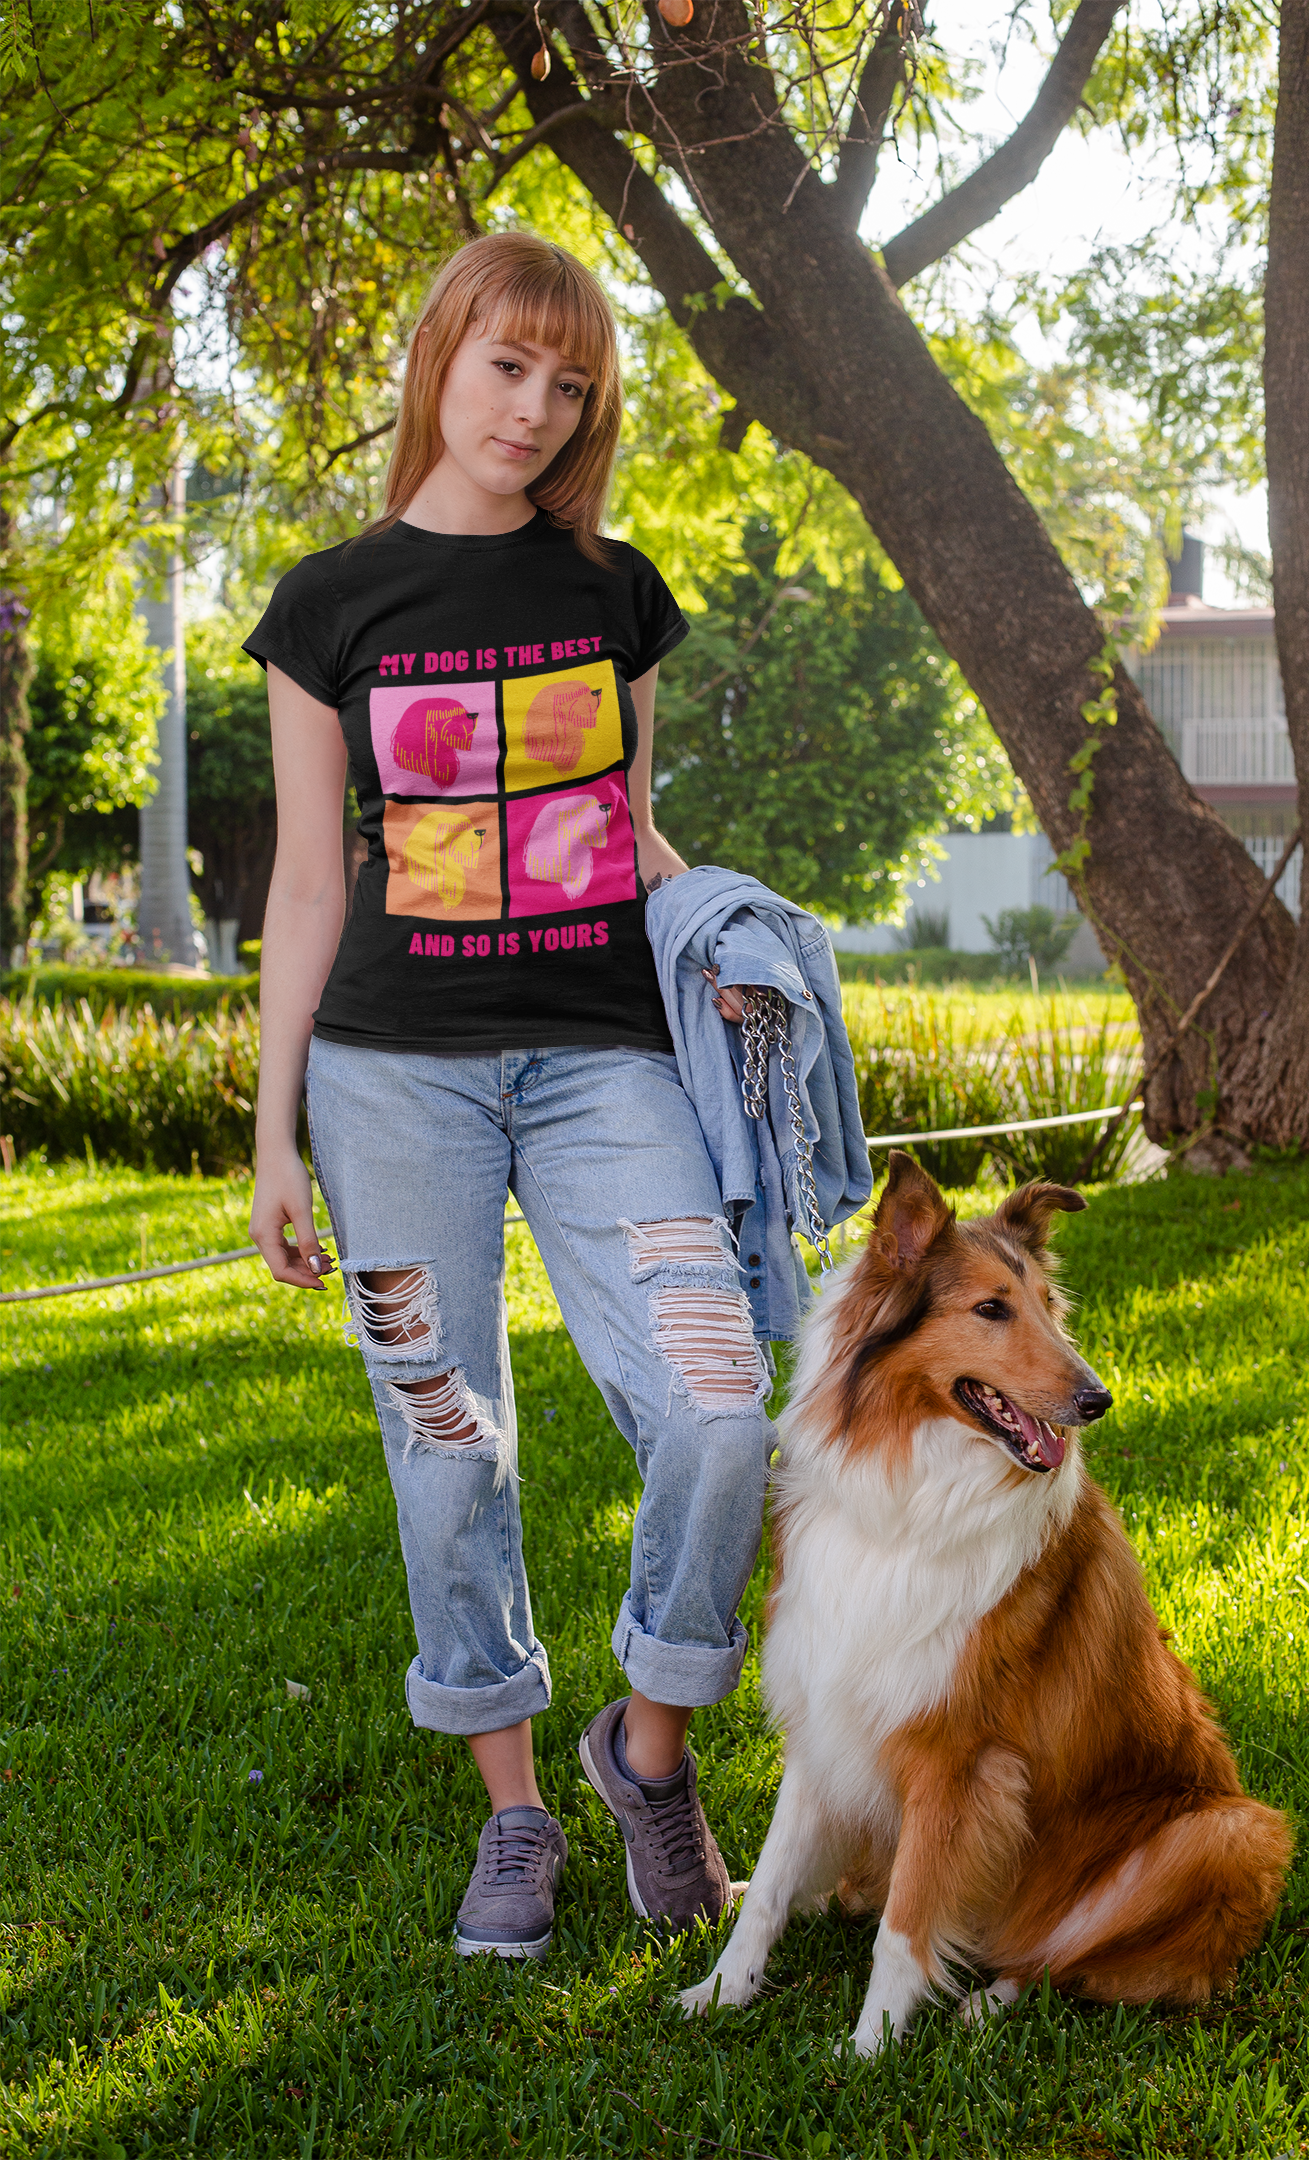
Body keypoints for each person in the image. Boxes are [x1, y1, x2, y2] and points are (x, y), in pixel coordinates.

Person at [244, 233, 775, 1963]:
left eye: (569, 386)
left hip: (603, 1061)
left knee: (718, 1401)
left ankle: (648, 1746)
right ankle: (517, 1812)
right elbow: (309, 886)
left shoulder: (612, 590)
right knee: (446, 1446)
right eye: (506, 368)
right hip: (388, 1083)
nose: (535, 411)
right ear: (439, 357)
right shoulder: (329, 607)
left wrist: (730, 938)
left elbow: (626, 827)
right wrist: (274, 1142)